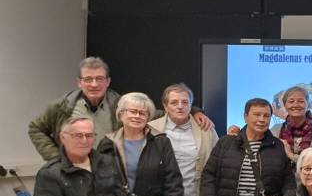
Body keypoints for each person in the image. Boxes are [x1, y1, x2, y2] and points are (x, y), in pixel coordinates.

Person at [28, 56, 213, 161]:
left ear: (108, 81)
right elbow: (35, 128)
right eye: (88, 79)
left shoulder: (123, 106)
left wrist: (195, 110)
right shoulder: (60, 107)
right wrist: (55, 157)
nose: (94, 84)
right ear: (79, 82)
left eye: (99, 79)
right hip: (72, 171)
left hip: (110, 173)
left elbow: (165, 111)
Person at [96, 92, 186, 196]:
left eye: (143, 113)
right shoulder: (107, 142)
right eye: (133, 111)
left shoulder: (160, 141)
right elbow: (100, 184)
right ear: (121, 114)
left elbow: (173, 180)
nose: (137, 116)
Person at [33, 117, 137, 196]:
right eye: (78, 135)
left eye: (89, 135)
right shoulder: (50, 173)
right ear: (63, 137)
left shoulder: (107, 163)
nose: (84, 141)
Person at [149, 83, 219, 196]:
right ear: (165, 106)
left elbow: (217, 167)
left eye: (185, 102)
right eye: (174, 102)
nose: (180, 106)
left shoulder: (206, 129)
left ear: (191, 105)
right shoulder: (151, 130)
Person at [271, 85, 312, 162]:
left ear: (308, 105)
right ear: (285, 106)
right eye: (291, 101)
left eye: (301, 101)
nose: (296, 105)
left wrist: (291, 156)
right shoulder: (275, 130)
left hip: (310, 174)